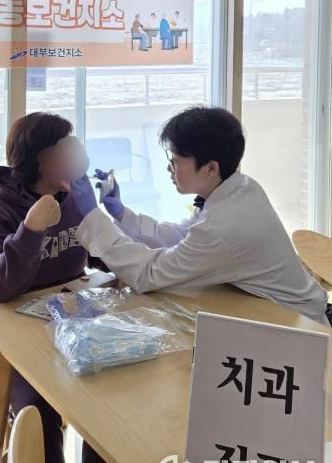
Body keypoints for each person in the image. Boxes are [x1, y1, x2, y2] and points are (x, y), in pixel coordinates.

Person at [42, 107, 330, 326]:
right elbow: (183, 237)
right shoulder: (240, 187)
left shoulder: (225, 225)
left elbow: (149, 275)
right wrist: (122, 214)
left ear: (210, 168)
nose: (169, 169)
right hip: (273, 309)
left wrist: (91, 215)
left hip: (296, 324)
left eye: (176, 161)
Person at [0, 112, 118, 463]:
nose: (76, 152)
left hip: (70, 323)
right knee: (39, 413)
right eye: (64, 145)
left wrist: (109, 218)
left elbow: (103, 256)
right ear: (39, 159)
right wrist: (31, 230)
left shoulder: (75, 195)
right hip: (7, 337)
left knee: (110, 396)